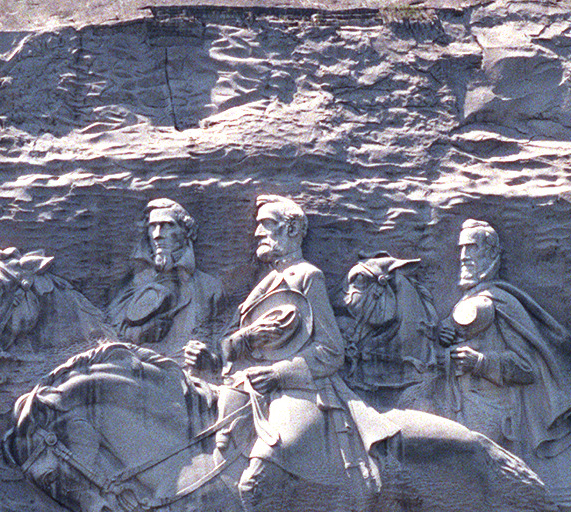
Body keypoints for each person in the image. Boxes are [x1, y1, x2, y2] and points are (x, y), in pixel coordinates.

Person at [214, 196, 377, 493]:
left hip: (297, 392)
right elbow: (242, 342)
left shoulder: (307, 276)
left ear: (290, 229)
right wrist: (227, 349)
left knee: (255, 482)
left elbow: (330, 351)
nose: (257, 233)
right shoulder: (266, 282)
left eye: (266, 224)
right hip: (247, 388)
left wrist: (279, 374)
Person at [435, 219, 571, 457]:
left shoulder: (501, 303)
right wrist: (441, 334)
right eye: (461, 248)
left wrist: (480, 362)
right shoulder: (467, 302)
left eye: (471, 247)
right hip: (456, 406)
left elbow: (526, 367)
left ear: (490, 254)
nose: (463, 256)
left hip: (492, 416)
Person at [105, 198, 226, 371]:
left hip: (190, 378)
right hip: (140, 374)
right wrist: (145, 330)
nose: (157, 235)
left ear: (186, 232)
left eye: (167, 225)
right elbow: (112, 333)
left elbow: (223, 349)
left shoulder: (210, 288)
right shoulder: (135, 284)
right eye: (152, 226)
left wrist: (208, 359)